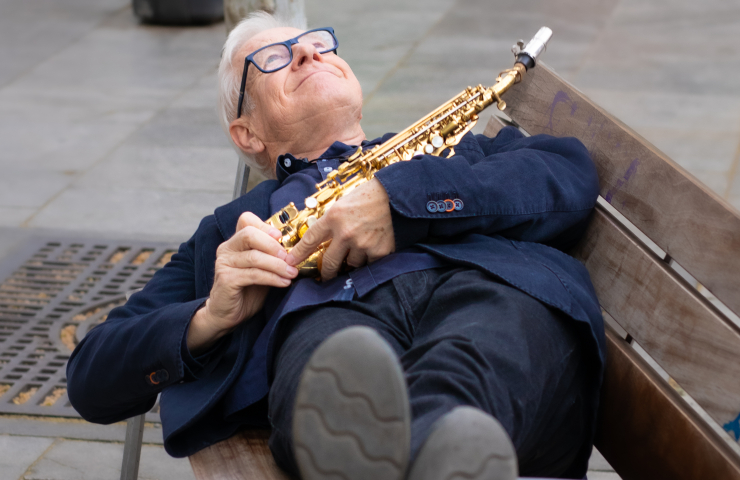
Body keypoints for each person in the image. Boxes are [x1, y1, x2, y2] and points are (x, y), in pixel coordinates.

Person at [66, 12, 605, 480]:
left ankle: (411, 454)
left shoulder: (454, 148)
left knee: (475, 355)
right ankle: (430, 455)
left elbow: (567, 173)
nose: (306, 50)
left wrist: (398, 200)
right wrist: (209, 318)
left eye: (320, 45)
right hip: (329, 322)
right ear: (247, 133)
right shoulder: (231, 230)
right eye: (274, 59)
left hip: (485, 288)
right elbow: (91, 375)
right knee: (337, 371)